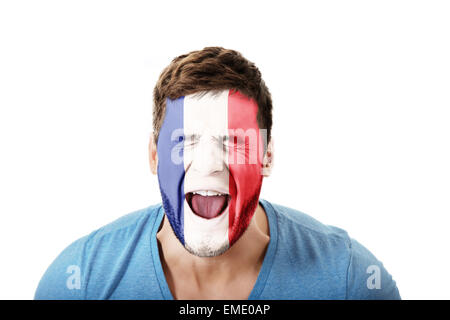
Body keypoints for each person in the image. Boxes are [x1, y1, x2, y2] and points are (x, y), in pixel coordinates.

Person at [34, 47, 400, 300]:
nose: (208, 163)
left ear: (267, 156)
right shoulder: (80, 280)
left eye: (234, 141)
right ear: (153, 156)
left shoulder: (350, 280)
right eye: (186, 141)